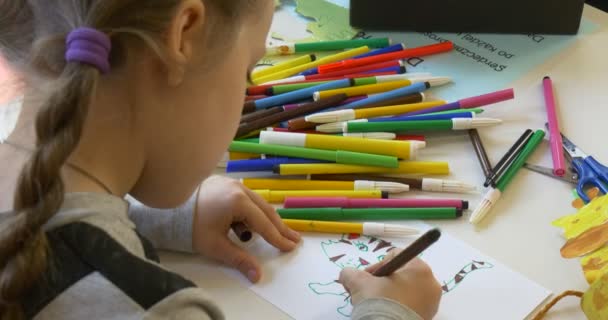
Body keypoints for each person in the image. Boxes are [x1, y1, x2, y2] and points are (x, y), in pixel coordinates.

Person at [0, 1, 442, 319]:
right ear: (184, 34)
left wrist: (156, 218)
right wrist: (389, 314)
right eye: (248, 72)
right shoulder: (156, 309)